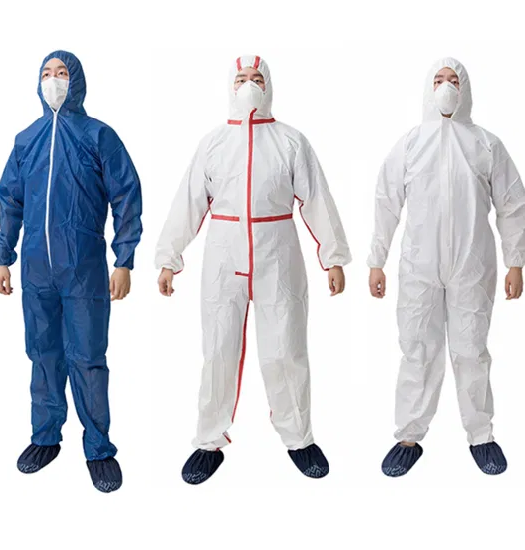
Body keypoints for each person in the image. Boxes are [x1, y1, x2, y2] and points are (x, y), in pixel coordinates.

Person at [156, 55, 351, 484]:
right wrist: (169, 258)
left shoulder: (291, 141)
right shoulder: (213, 143)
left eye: (257, 78)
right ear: (230, 85)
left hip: (277, 253)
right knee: (218, 349)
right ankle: (208, 440)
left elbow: (317, 199)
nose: (249, 85)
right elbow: (188, 202)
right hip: (223, 257)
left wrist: (333, 257)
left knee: (286, 348)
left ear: (269, 86)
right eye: (241, 78)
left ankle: (299, 438)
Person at [368, 57, 525, 477]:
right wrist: (376, 260)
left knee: (471, 349)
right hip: (419, 266)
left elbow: (512, 204)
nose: (445, 87)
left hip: (472, 265)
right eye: (438, 80)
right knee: (417, 348)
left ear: (466, 89)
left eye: (453, 80)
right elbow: (386, 202)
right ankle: (409, 436)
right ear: (427, 88)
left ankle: (481, 436)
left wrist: (516, 262)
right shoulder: (411, 143)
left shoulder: (486, 144)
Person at [0, 51, 143, 493]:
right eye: (47, 73)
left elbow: (126, 196)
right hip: (36, 269)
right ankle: (45, 438)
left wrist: (124, 260)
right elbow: (11, 200)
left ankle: (99, 447)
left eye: (61, 73)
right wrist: (3, 256)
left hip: (84, 268)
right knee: (42, 354)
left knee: (88, 358)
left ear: (75, 80)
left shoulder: (98, 135)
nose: (53, 80)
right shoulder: (26, 139)